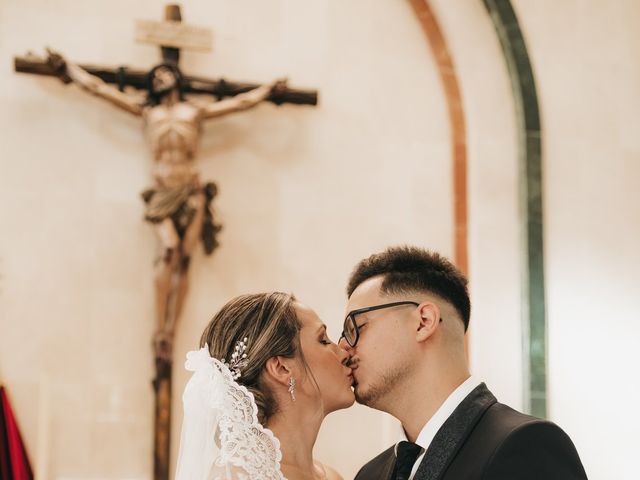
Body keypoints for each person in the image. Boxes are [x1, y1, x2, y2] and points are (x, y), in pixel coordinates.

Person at [45, 49, 286, 365]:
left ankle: (171, 330)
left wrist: (269, 90)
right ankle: (159, 328)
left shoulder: (194, 113)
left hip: (190, 193)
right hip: (162, 194)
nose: (159, 77)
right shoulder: (147, 112)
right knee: (169, 250)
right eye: (154, 75)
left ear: (176, 78)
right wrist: (68, 68)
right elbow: (99, 90)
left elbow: (239, 103)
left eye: (163, 73)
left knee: (184, 260)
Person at [339, 246, 587, 480]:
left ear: (423, 321)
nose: (343, 347)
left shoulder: (528, 445)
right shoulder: (370, 474)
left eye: (357, 327)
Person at [175, 292, 354, 479]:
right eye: (323, 340)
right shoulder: (234, 476)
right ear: (281, 368)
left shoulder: (333, 477)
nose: (343, 353)